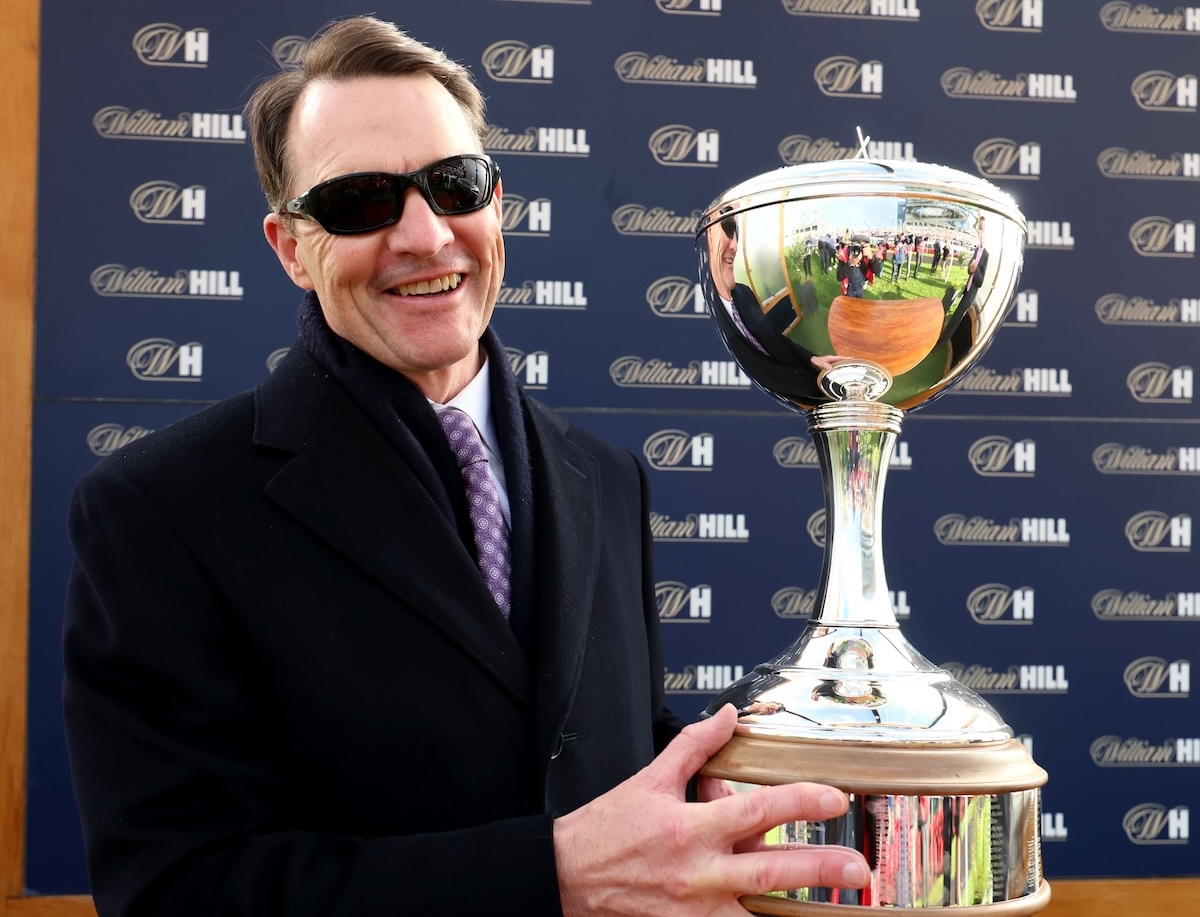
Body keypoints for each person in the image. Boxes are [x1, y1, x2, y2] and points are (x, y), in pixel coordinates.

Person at [61, 15, 870, 917]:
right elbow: (174, 891)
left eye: (454, 186)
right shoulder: (159, 510)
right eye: (362, 202)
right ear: (292, 248)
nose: (425, 234)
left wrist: (725, 798)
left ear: (496, 203)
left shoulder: (606, 480)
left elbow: (607, 753)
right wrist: (553, 872)